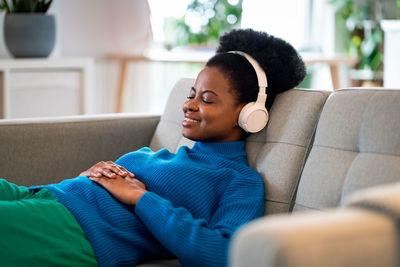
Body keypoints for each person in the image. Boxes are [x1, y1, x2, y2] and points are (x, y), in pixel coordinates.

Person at [0, 29, 306, 267]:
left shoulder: (239, 181)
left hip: (75, 231)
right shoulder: (169, 155)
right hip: (43, 196)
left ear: (249, 114)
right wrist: (91, 177)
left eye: (207, 99)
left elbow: (220, 255)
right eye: (192, 94)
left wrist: (140, 198)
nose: (189, 105)